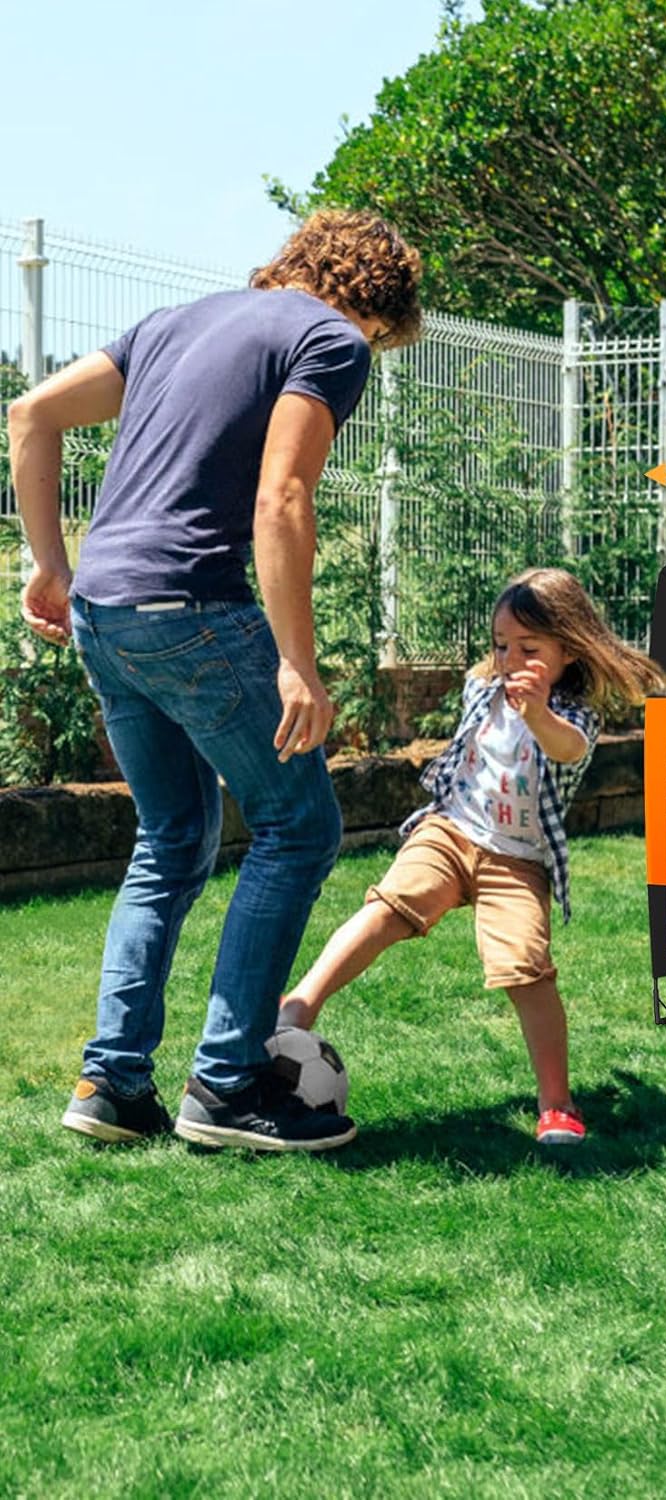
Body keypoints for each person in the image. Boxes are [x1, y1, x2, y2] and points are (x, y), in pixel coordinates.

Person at [8, 209, 423, 1151]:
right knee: (298, 826)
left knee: (175, 835)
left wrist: (48, 567)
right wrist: (295, 662)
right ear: (379, 308)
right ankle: (229, 1084)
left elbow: (29, 414)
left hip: (107, 614)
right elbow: (283, 495)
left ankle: (113, 1083)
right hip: (193, 607)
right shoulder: (329, 338)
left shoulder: (175, 321)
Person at [278, 568, 666, 1143]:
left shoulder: (574, 715)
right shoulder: (482, 687)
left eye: (529, 648)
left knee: (525, 967)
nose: (510, 658)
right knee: (389, 906)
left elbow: (567, 749)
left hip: (518, 862)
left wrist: (537, 710)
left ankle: (556, 1103)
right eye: (501, 645)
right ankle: (298, 1006)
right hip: (450, 833)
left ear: (569, 650)